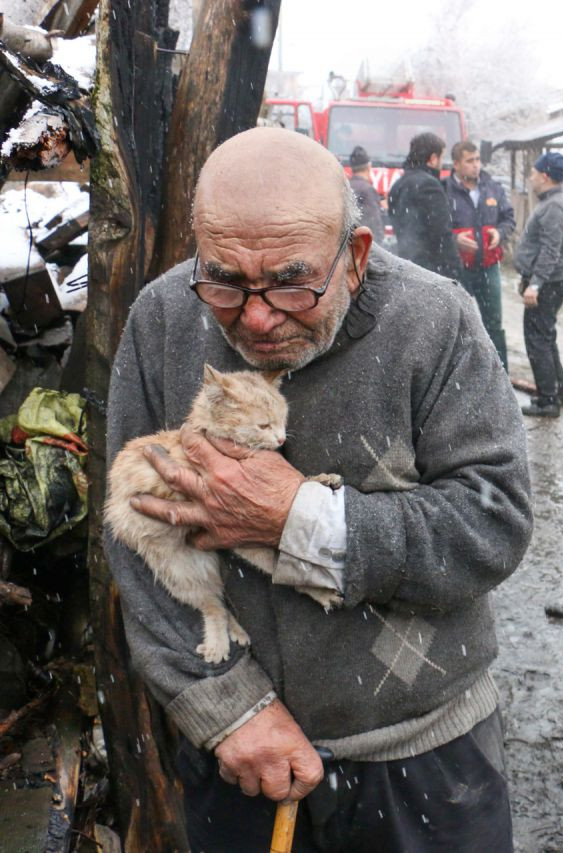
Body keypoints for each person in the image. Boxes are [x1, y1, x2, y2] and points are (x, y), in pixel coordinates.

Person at [105, 126, 532, 851]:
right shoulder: (164, 318)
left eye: (293, 282)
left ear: (356, 256)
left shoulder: (435, 322)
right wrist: (226, 709)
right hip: (239, 763)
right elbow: (132, 538)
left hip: (424, 758)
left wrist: (299, 518)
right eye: (226, 282)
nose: (259, 316)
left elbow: (493, 523)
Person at [446, 139, 516, 369]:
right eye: (469, 161)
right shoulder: (445, 190)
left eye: (477, 160)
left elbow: (508, 218)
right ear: (456, 164)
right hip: (459, 269)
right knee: (457, 324)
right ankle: (462, 374)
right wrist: (455, 239)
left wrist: (500, 232)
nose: (475, 165)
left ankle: (500, 373)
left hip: (489, 267)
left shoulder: (492, 187)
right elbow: (436, 228)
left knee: (494, 324)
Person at [514, 152, 563, 417]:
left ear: (545, 176)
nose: (531, 177)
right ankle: (558, 388)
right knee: (545, 336)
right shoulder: (552, 202)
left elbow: (551, 250)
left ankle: (548, 400)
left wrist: (535, 284)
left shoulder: (554, 206)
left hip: (548, 283)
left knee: (537, 339)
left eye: (534, 173)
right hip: (548, 282)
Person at [387, 132, 463, 279]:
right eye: (441, 158)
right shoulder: (430, 186)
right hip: (431, 271)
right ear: (433, 159)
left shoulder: (398, 185)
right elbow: (441, 234)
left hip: (406, 267)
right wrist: (455, 270)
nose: (442, 164)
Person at [346, 145, 384, 246]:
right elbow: (375, 224)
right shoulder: (368, 190)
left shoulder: (345, 187)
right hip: (364, 245)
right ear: (368, 167)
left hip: (348, 244)